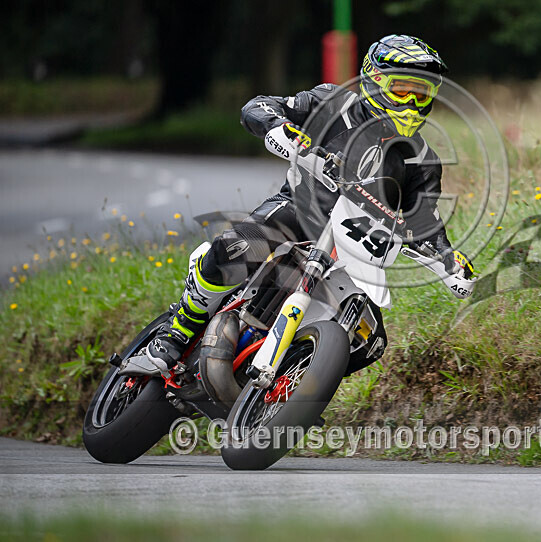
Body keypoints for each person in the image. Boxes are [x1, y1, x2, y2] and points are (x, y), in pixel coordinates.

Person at [134, 34, 474, 378]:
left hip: (355, 247)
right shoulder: (332, 102)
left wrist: (450, 260)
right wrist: (279, 127)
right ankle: (175, 336)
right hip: (298, 210)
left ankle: (289, 388)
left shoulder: (423, 162)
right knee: (233, 249)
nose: (413, 103)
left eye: (422, 94)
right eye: (403, 90)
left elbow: (426, 223)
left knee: (370, 341)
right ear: (374, 81)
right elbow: (259, 106)